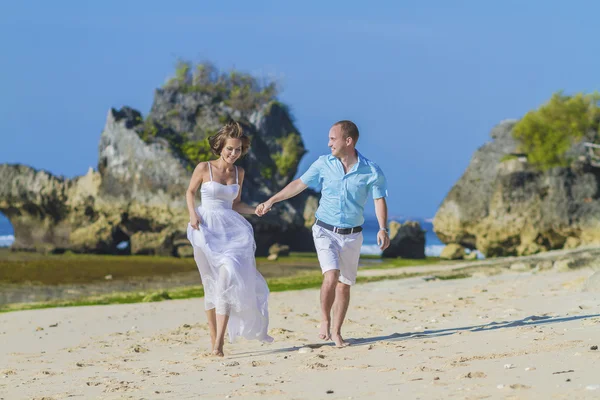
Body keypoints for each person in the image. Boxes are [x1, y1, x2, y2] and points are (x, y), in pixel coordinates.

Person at [257, 120, 390, 347]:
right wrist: (272, 200)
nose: (328, 143)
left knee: (344, 284)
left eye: (332, 138)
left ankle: (337, 332)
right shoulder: (323, 164)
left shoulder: (371, 170)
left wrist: (383, 228)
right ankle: (324, 320)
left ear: (348, 141)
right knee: (331, 275)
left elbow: (379, 199)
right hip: (324, 229)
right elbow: (298, 184)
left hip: (352, 235)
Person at [186, 121, 273, 357]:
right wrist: (193, 213)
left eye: (238, 150)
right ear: (220, 146)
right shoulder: (204, 168)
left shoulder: (239, 172)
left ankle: (219, 345)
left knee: (225, 278)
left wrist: (255, 210)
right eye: (230, 149)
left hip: (232, 231)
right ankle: (215, 339)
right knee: (210, 285)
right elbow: (190, 192)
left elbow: (236, 205)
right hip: (204, 228)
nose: (234, 154)